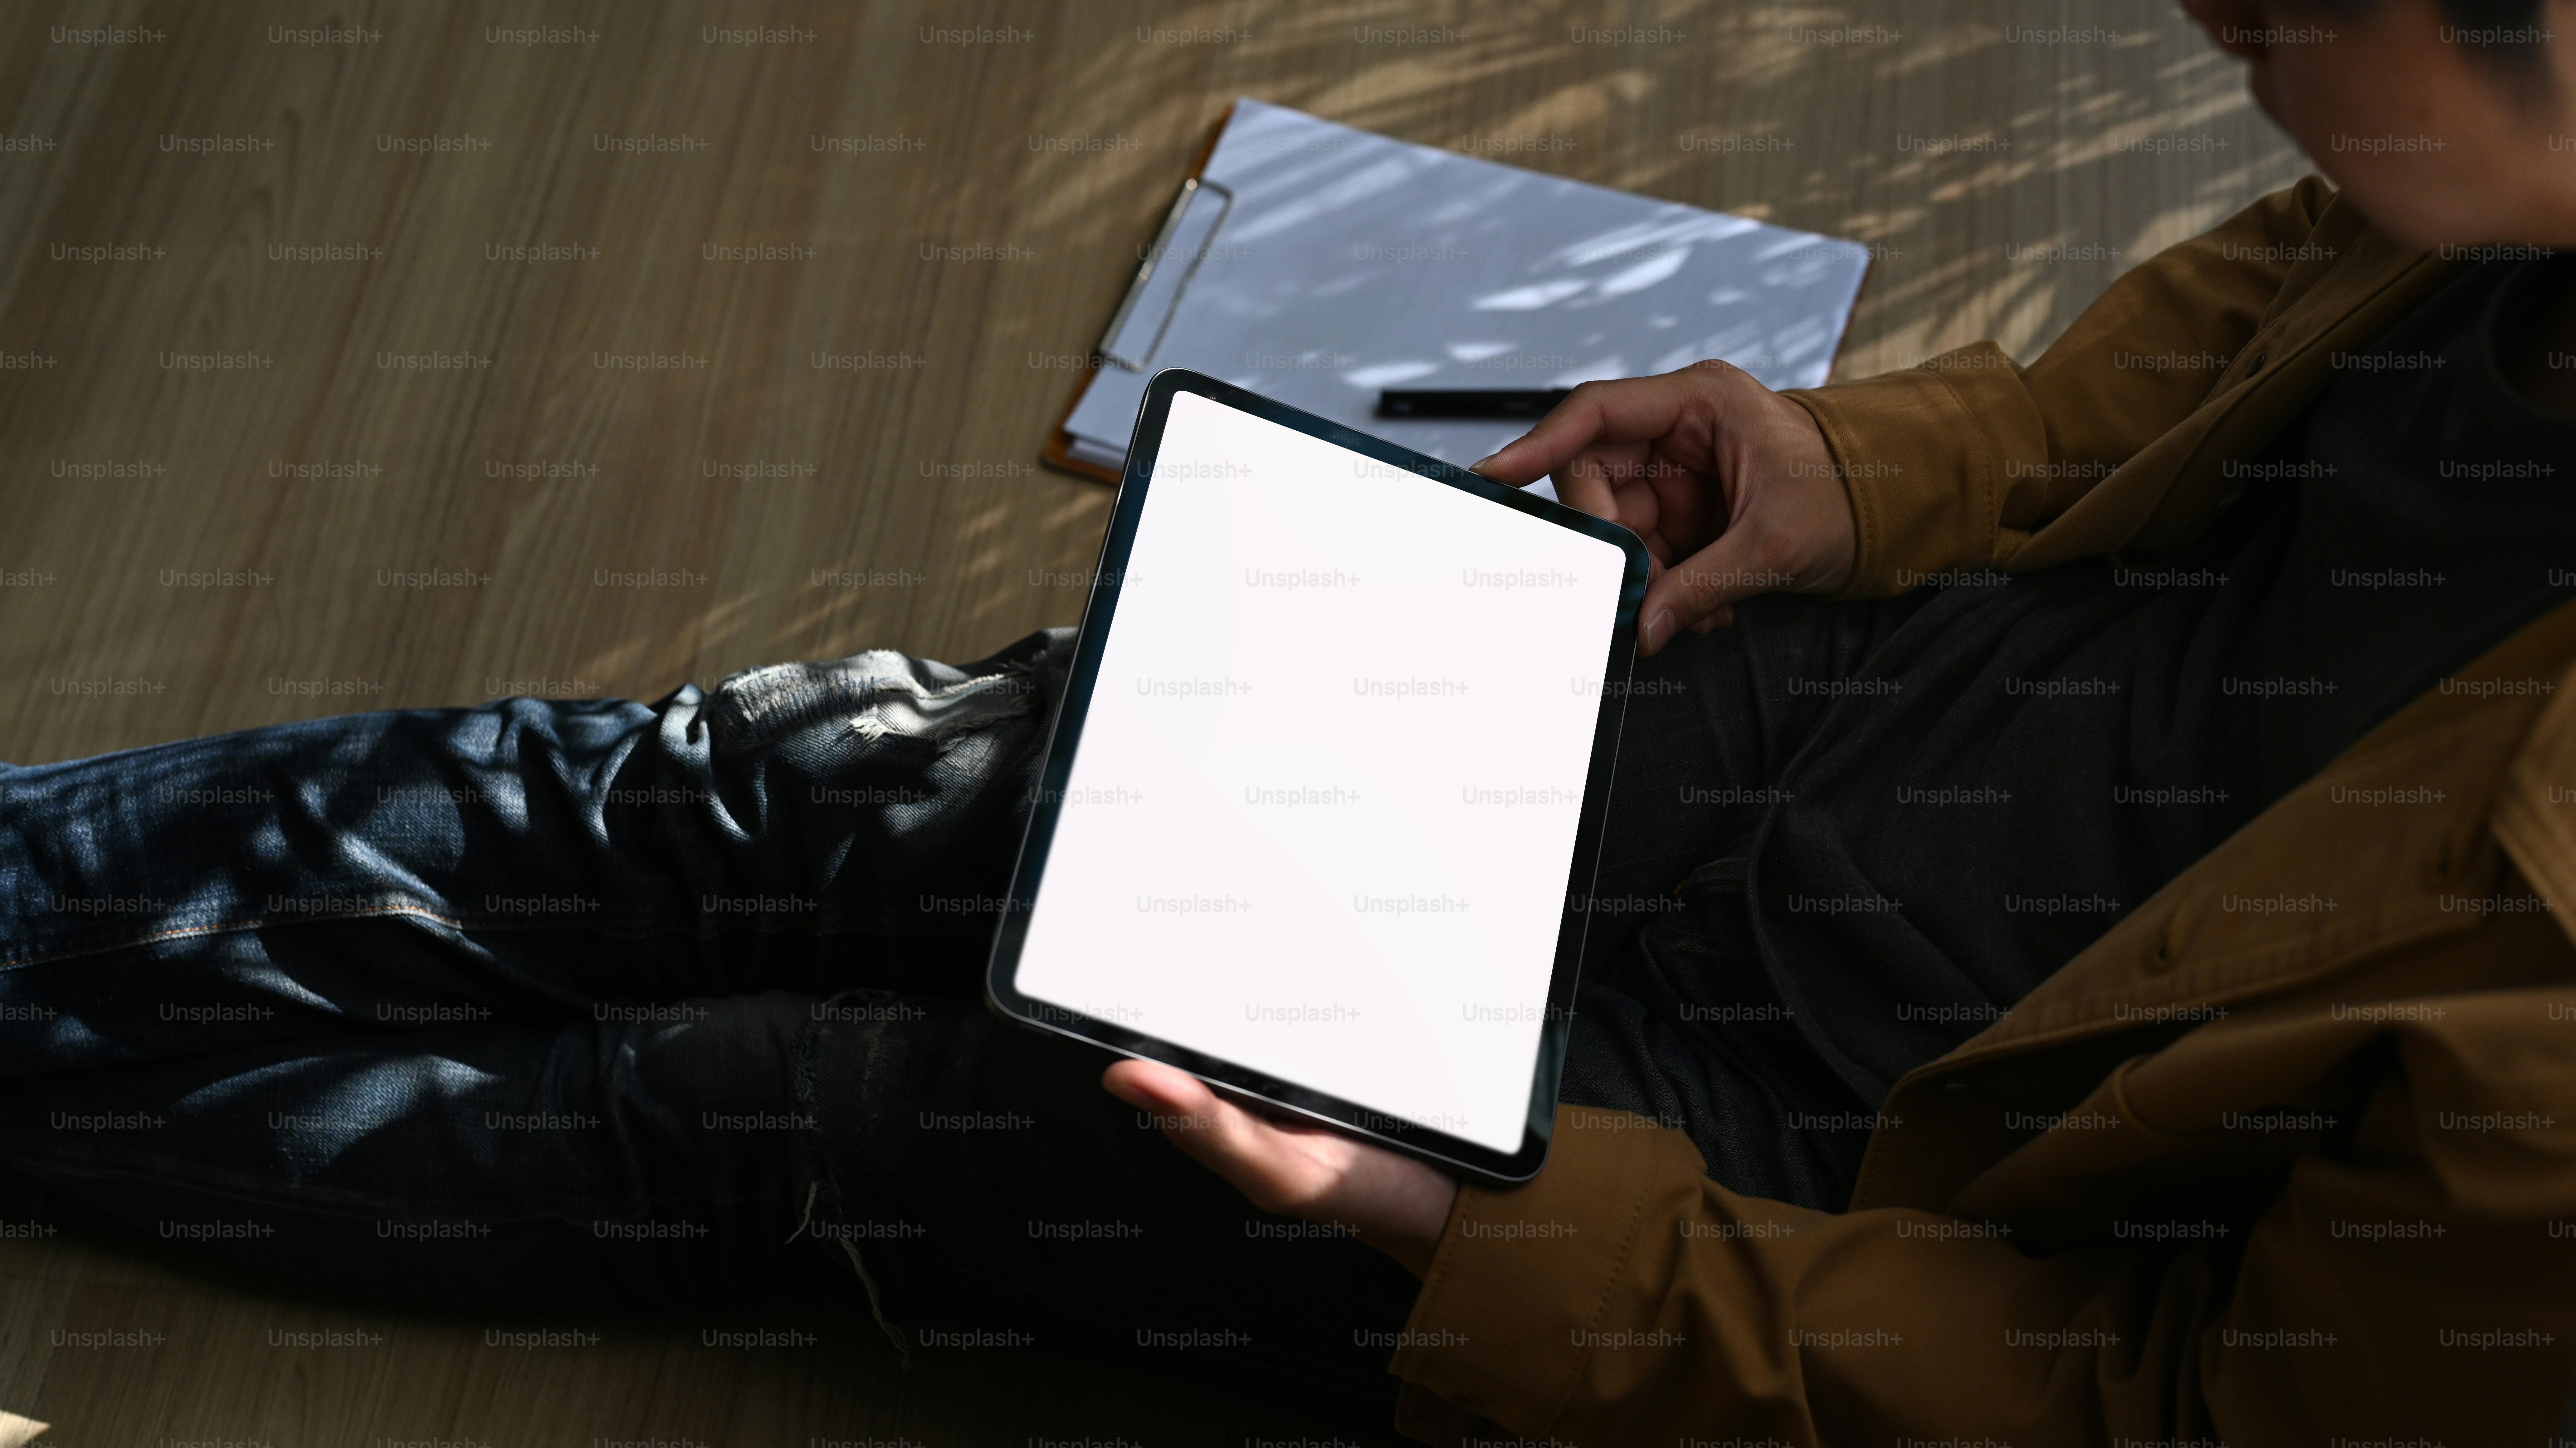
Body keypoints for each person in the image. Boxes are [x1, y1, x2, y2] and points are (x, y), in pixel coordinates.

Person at [4, 0, 2573, 1442]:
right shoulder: (2486, 182)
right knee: (781, 781)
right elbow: (2253, 323)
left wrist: (1491, 1251)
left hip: (1793, 1175)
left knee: (770, 1118)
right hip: (1801, 707)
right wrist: (1878, 467)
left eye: (2289, 3)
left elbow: (2159, 1414)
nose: (2208, 18)